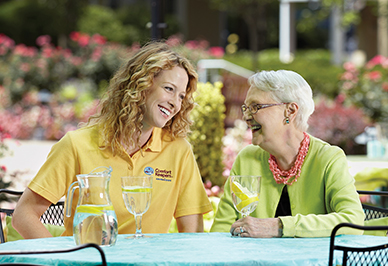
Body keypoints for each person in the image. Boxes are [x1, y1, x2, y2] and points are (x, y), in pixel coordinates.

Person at [12, 41, 213, 238]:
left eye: (181, 96)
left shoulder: (178, 150)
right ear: (141, 84)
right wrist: (62, 262)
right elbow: (23, 215)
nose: (175, 104)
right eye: (169, 89)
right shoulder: (77, 145)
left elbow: (192, 235)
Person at [210, 70, 364, 238]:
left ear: (290, 111)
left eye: (255, 107)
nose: (246, 117)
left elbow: (353, 220)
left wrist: (279, 226)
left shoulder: (328, 159)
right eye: (246, 108)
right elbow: (222, 229)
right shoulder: (247, 159)